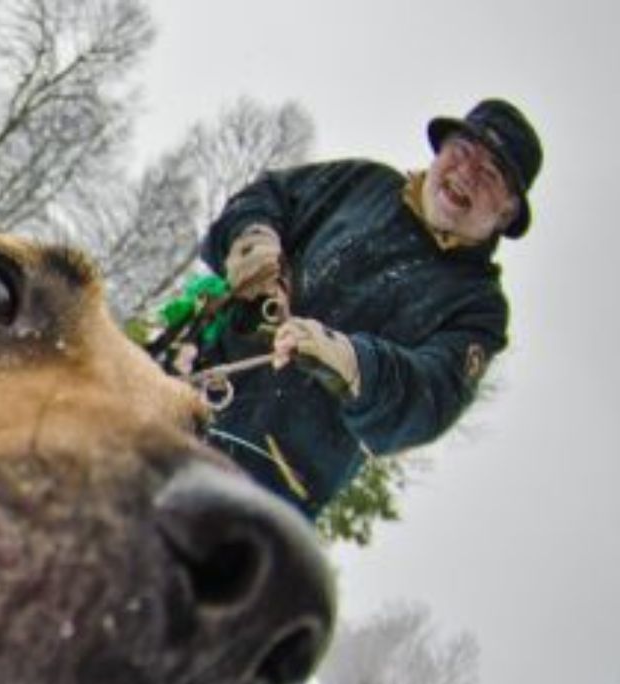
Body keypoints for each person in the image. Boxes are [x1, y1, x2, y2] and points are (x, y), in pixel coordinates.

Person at [193, 98, 543, 518]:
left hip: (267, 486)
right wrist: (253, 242)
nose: (466, 172)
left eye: (489, 174)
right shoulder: (364, 183)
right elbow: (267, 197)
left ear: (506, 214)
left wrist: (351, 362)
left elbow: (430, 398)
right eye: (463, 151)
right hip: (180, 392)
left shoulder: (479, 308)